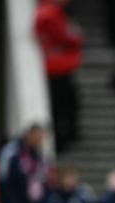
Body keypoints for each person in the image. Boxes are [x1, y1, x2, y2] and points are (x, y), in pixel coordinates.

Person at [34, 0, 83, 154]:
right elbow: (69, 36)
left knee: (66, 105)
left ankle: (66, 137)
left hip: (58, 68)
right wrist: (75, 37)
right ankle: (64, 139)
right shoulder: (49, 13)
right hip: (56, 70)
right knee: (64, 106)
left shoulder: (51, 12)